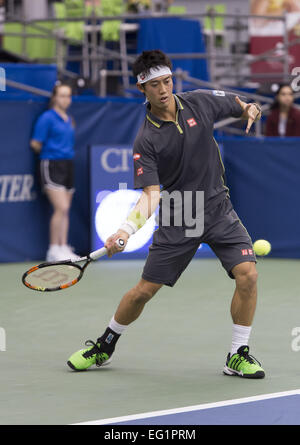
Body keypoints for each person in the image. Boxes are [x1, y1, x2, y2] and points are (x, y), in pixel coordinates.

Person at [68, 50, 265, 379]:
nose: (164, 89)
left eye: (168, 81)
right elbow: (151, 194)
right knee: (144, 292)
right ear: (141, 88)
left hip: (218, 208)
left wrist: (250, 108)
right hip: (179, 218)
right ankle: (105, 344)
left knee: (249, 275)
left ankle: (237, 353)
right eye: (155, 84)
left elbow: (238, 103)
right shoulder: (146, 140)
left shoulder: (199, 102)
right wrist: (126, 230)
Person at [30, 82, 79, 262]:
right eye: (62, 95)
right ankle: (53, 249)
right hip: (51, 164)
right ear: (54, 98)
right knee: (62, 207)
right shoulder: (47, 118)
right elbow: (35, 143)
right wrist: (51, 153)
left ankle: (63, 247)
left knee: (66, 210)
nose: (66, 99)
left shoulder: (69, 119)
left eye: (68, 96)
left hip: (68, 165)